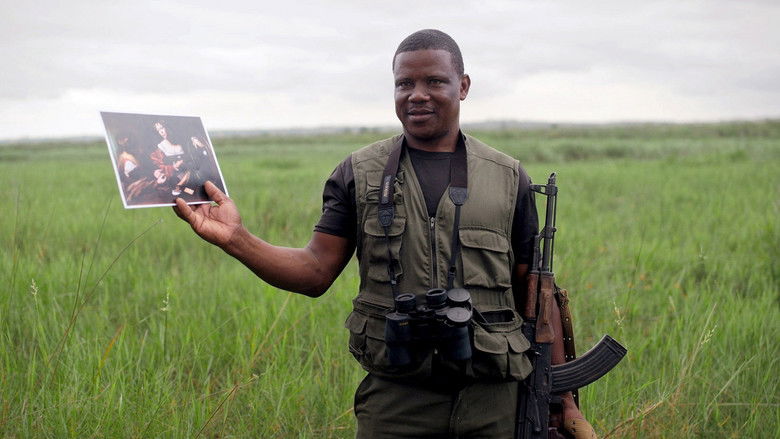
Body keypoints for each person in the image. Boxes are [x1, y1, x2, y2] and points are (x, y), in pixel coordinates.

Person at [174, 29, 596, 439]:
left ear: (463, 86)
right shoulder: (359, 172)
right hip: (395, 402)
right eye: (404, 83)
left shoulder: (507, 177)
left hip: (495, 402)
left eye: (434, 81)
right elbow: (314, 271)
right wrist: (236, 238)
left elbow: (535, 291)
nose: (417, 94)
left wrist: (561, 397)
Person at [150, 120, 190, 197]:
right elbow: (159, 164)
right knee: (186, 191)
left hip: (188, 170)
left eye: (162, 128)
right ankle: (180, 187)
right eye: (158, 130)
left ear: (167, 127)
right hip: (175, 174)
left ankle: (183, 188)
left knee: (192, 190)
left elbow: (190, 156)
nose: (161, 132)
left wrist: (182, 161)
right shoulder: (161, 146)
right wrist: (173, 167)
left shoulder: (182, 140)